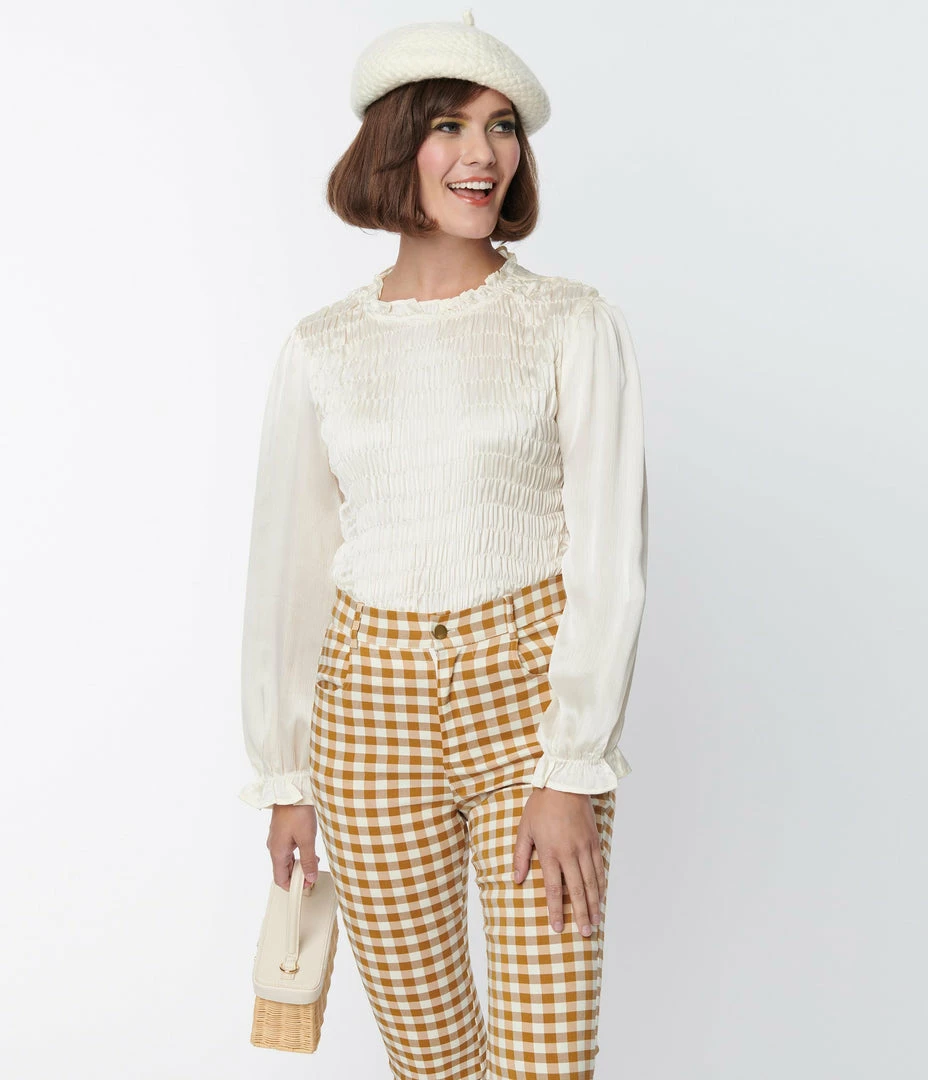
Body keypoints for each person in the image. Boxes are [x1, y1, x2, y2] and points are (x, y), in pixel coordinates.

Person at [238, 10, 648, 1079]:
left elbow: (609, 557)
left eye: (503, 127)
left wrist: (570, 767)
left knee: (546, 1061)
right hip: (365, 706)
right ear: (394, 146)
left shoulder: (570, 322)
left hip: (529, 704)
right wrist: (285, 774)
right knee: (429, 1063)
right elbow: (289, 565)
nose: (484, 154)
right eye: (451, 127)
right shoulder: (322, 347)